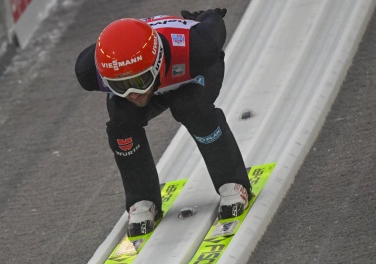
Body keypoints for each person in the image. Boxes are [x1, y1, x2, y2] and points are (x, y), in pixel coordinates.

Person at [74, 9, 252, 239]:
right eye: (120, 85)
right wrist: (135, 83)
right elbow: (114, 61)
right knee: (121, 122)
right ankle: (142, 199)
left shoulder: (199, 46)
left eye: (139, 81)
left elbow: (213, 25)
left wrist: (205, 17)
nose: (133, 94)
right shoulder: (89, 70)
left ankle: (233, 183)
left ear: (157, 62)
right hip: (158, 77)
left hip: (190, 71)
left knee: (190, 106)